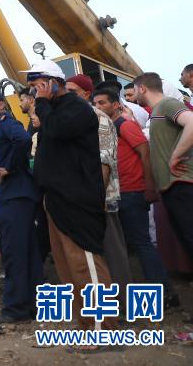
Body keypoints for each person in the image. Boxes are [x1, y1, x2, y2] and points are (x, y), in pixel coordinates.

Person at [25, 60, 116, 336]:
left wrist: (41, 103)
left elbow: (56, 131)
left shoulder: (77, 109)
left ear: (53, 82)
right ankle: (86, 326)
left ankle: (103, 330)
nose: (34, 93)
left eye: (39, 86)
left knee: (85, 266)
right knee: (68, 270)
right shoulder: (55, 111)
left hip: (76, 199)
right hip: (56, 199)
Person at [92, 88, 180, 308]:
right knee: (128, 245)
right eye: (95, 103)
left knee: (141, 243)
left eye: (102, 103)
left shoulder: (125, 125)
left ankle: (165, 293)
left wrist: (149, 186)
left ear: (116, 105)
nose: (98, 107)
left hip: (132, 192)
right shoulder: (108, 129)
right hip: (119, 193)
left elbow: (145, 152)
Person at [0, 89, 41, 324]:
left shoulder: (5, 123)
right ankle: (31, 305)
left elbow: (23, 139)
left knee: (14, 253)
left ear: (1, 105)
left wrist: (9, 166)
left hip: (14, 196)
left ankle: (16, 308)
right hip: (14, 196)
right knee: (27, 252)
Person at [65, 75, 131, 301]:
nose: (67, 96)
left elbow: (104, 163)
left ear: (86, 94)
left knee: (112, 253)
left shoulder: (98, 119)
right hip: (79, 201)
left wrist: (95, 198)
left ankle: (122, 306)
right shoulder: (73, 120)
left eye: (72, 92)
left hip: (99, 200)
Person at [133, 72, 193, 258]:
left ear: (142, 88)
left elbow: (192, 122)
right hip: (172, 185)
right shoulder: (157, 111)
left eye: (134, 91)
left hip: (182, 183)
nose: (134, 96)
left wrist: (176, 155)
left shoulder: (167, 104)